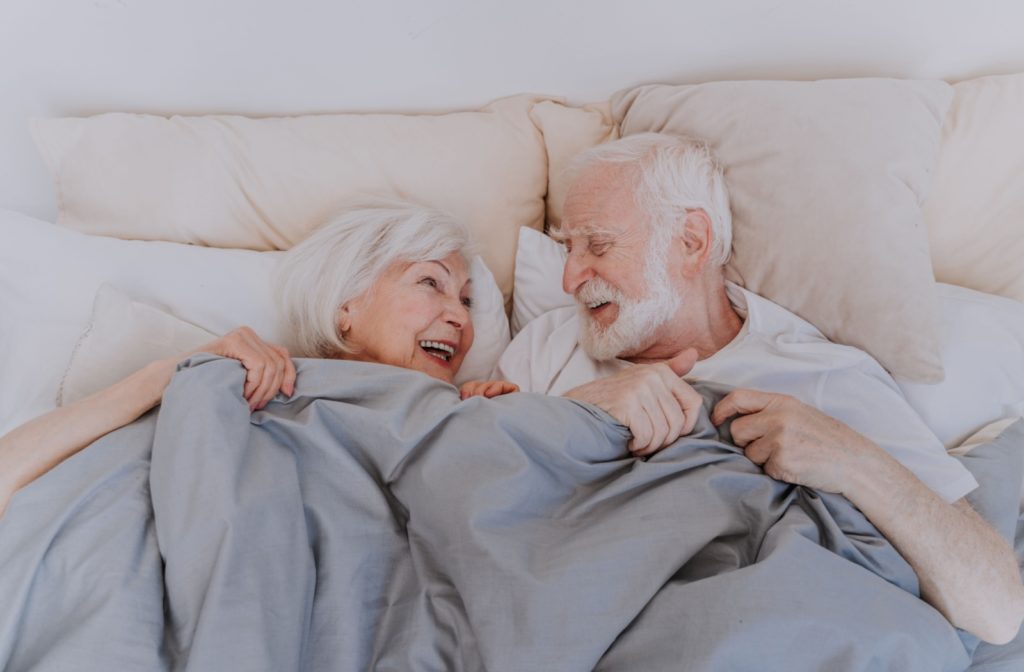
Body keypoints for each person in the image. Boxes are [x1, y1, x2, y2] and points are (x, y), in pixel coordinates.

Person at [496, 132, 1024, 644]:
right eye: (567, 248)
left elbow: (996, 611)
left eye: (598, 246)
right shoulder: (548, 344)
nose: (569, 279)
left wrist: (852, 458)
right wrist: (579, 415)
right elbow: (474, 504)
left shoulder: (822, 377)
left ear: (690, 242)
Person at [0, 204, 517, 519]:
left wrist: (489, 435)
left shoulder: (470, 415)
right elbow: (10, 472)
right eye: (431, 283)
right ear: (346, 309)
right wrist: (174, 372)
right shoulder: (246, 384)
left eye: (467, 301)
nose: (459, 317)